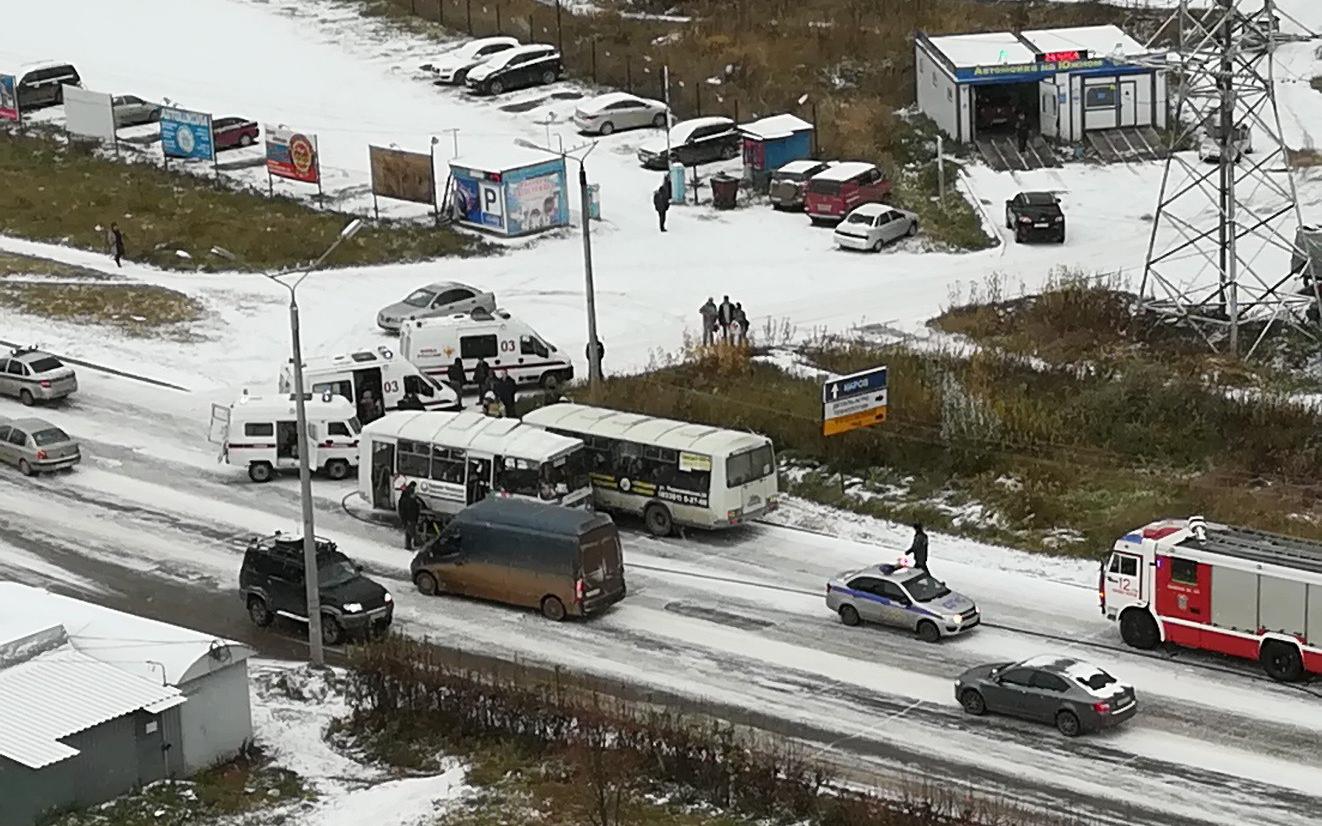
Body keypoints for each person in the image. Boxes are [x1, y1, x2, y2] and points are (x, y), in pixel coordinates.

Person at [397, 481, 422, 551]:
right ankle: (418, 543)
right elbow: (410, 510)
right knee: (412, 532)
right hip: (410, 518)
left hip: (409, 518)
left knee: (408, 532)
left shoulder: (405, 498)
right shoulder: (409, 499)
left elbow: (402, 510)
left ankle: (408, 545)